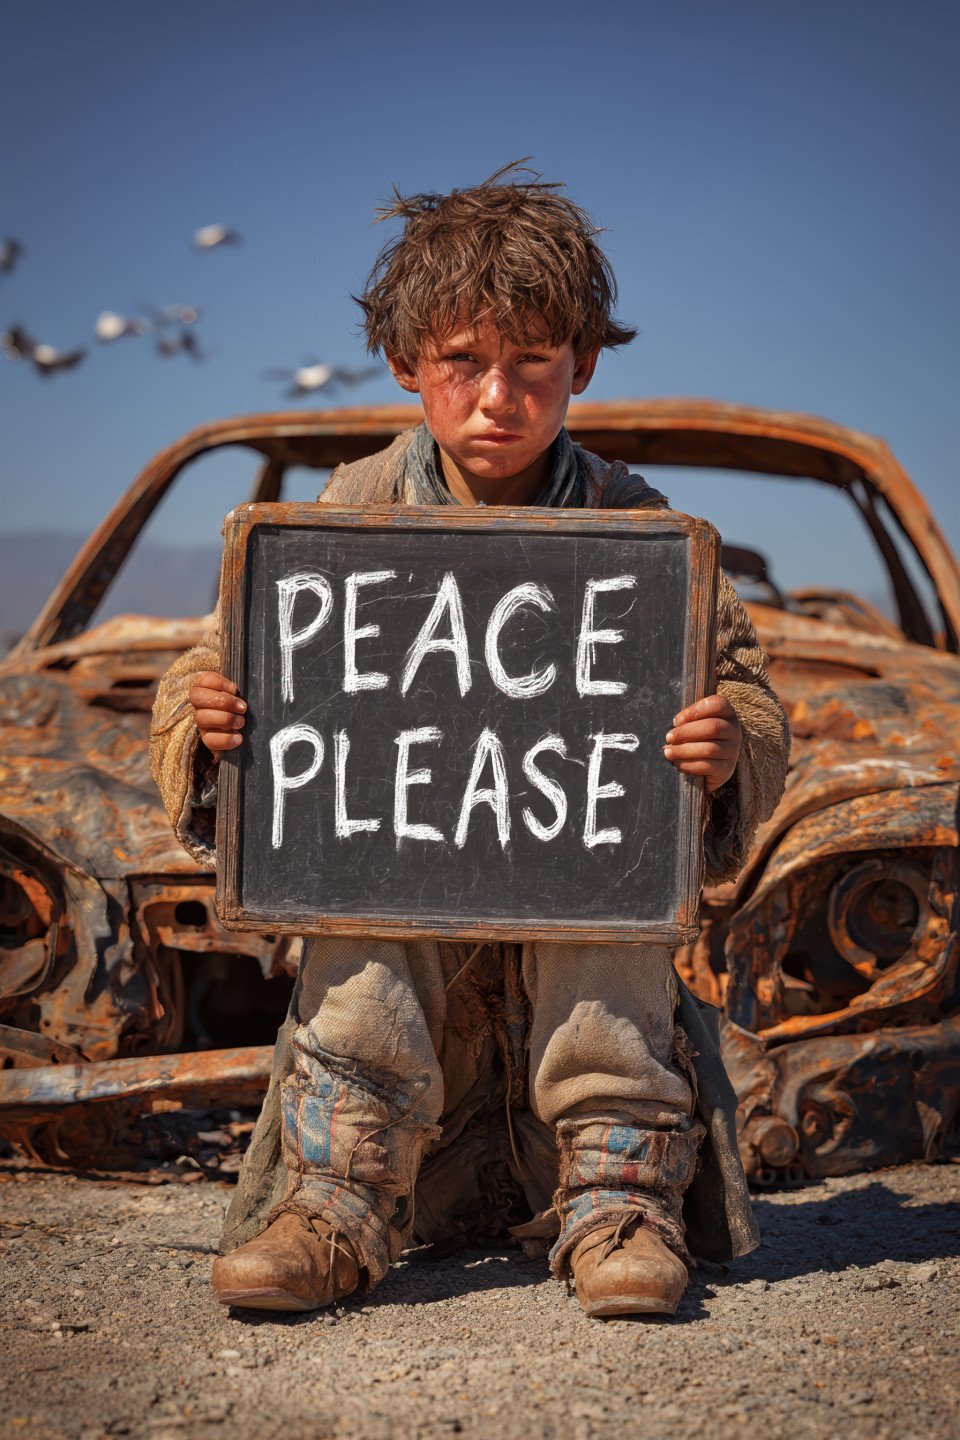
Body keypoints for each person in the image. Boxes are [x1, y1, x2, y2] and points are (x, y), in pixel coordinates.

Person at [150, 162, 790, 1320]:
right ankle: (333, 1205)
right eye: (463, 364)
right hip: (407, 1066)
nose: (500, 395)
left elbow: (746, 692)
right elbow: (208, 673)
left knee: (609, 875)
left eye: (533, 364)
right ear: (408, 366)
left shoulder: (643, 537)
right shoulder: (334, 524)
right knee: (365, 858)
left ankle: (618, 1207)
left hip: (580, 1051)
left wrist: (729, 744)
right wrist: (209, 726)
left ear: (581, 366)